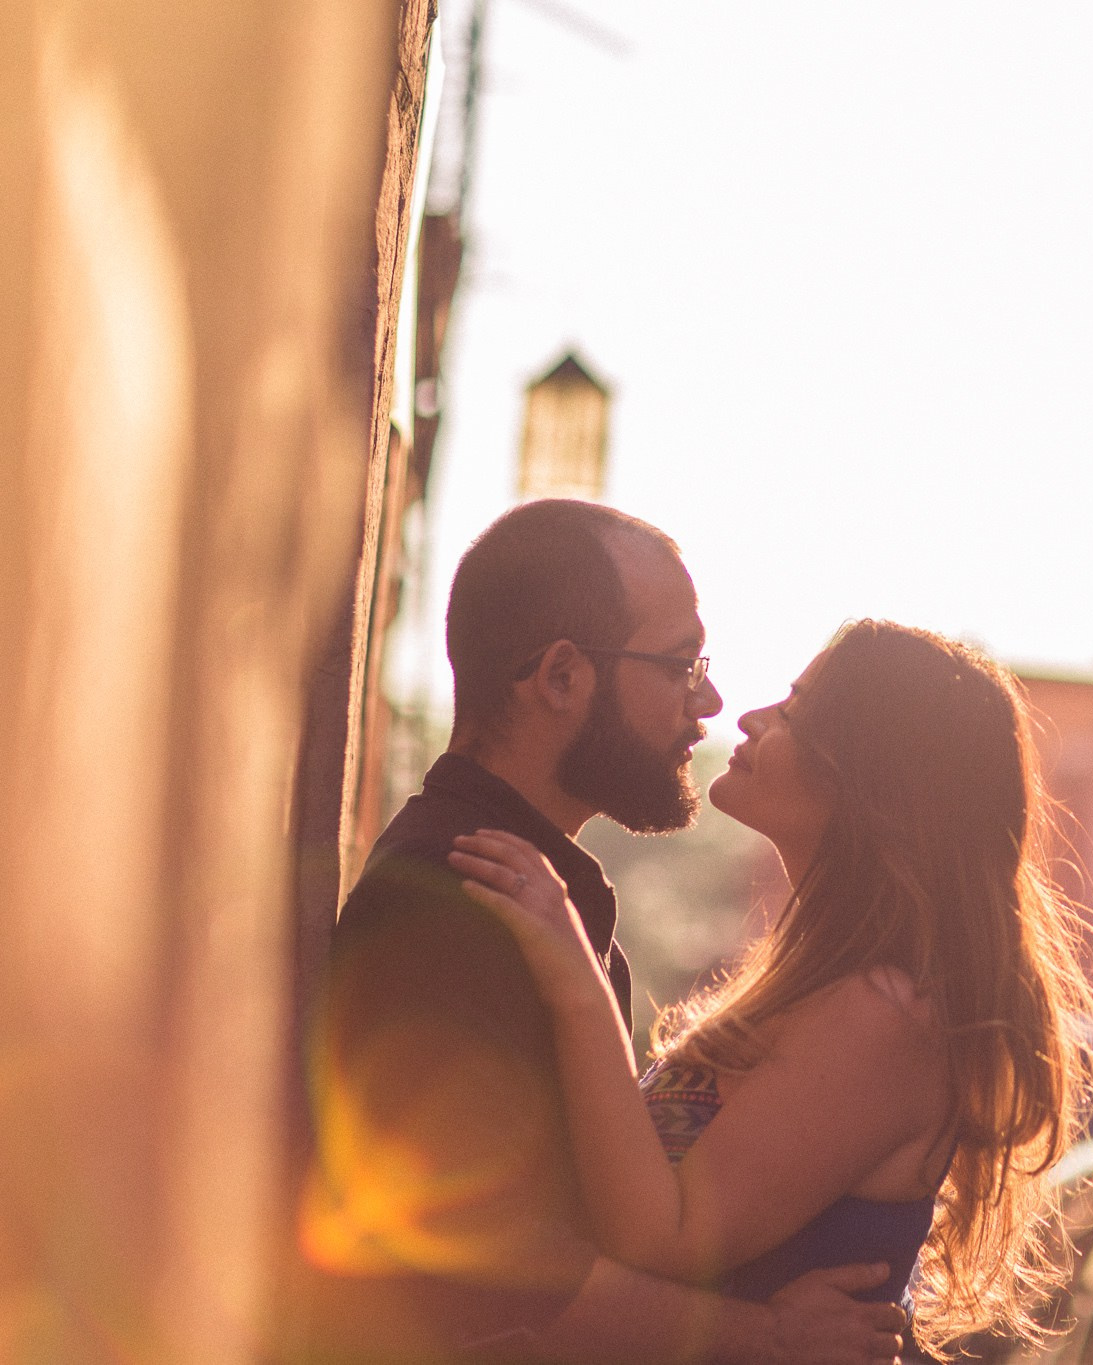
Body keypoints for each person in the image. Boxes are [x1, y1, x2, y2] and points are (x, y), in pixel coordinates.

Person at [299, 499, 908, 1364]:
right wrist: (766, 1336)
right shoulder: (450, 898)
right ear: (560, 677)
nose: (710, 699)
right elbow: (477, 1262)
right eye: (680, 663)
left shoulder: (533, 894)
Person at [449, 618, 1093, 1359]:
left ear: (866, 774)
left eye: (793, 712)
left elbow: (665, 1236)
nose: (750, 719)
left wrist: (575, 983)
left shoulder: (885, 1013)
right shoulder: (820, 986)